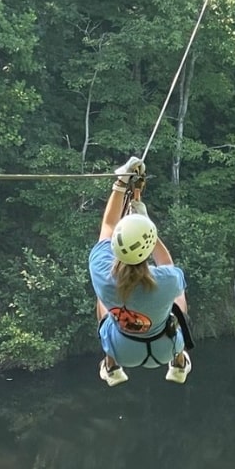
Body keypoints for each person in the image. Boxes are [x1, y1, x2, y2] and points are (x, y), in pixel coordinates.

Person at [88, 156, 192, 387]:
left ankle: (112, 366)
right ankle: (178, 363)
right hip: (166, 347)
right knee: (178, 296)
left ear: (116, 246)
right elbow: (166, 263)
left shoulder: (103, 273)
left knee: (101, 294)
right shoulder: (165, 281)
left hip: (122, 349)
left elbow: (108, 226)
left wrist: (121, 182)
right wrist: (145, 223)